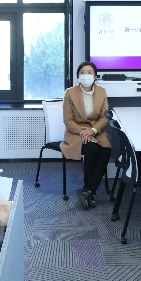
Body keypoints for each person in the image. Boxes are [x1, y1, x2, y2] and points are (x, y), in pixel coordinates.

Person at [61, 61, 111, 208]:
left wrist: (93, 130)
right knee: (92, 148)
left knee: (106, 150)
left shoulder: (101, 92)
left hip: (95, 130)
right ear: (78, 76)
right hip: (76, 132)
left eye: (89, 72)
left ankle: (88, 191)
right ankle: (89, 190)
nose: (85, 75)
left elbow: (105, 117)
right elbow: (67, 120)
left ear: (95, 77)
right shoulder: (70, 93)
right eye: (82, 72)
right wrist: (83, 132)